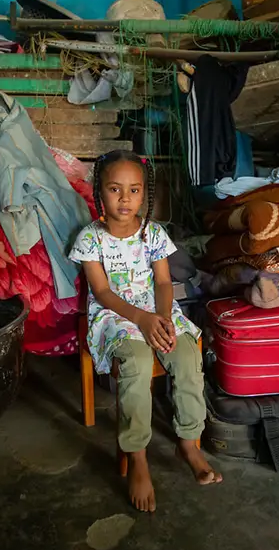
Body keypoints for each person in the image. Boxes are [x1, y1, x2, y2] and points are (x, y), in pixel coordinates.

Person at [69, 149, 222, 512]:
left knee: (186, 355)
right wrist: (141, 319)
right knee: (136, 363)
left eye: (134, 190)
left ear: (145, 194)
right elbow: (103, 292)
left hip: (156, 311)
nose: (125, 199)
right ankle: (136, 454)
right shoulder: (89, 239)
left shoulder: (153, 233)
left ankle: (189, 441)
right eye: (115, 189)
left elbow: (164, 283)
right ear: (99, 193)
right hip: (115, 315)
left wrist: (164, 318)